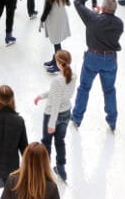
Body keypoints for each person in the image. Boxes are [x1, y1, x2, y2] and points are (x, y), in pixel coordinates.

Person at [69, 0, 124, 131]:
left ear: (103, 8)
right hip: (110, 59)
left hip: (93, 58)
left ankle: (77, 117)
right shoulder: (119, 23)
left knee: (84, 88)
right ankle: (112, 120)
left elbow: (77, 2)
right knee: (109, 90)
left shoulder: (93, 19)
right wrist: (97, 14)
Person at [34, 51, 76, 182]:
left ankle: (45, 168)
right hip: (66, 113)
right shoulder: (73, 76)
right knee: (60, 141)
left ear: (59, 63)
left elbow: (56, 103)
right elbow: (57, 94)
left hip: (53, 115)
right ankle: (61, 168)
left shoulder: (57, 81)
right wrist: (42, 96)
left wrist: (52, 123)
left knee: (46, 142)